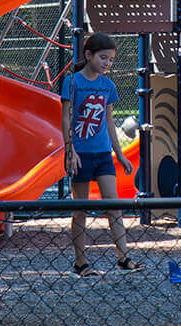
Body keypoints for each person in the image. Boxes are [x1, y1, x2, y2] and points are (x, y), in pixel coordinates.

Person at [60, 32, 141, 275]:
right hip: (80, 154)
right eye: (103, 58)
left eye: (111, 60)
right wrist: (69, 149)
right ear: (88, 55)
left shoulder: (108, 86)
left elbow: (108, 122)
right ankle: (80, 263)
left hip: (103, 153)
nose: (107, 63)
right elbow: (66, 116)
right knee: (81, 208)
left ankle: (123, 258)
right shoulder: (73, 82)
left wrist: (120, 154)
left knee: (113, 206)